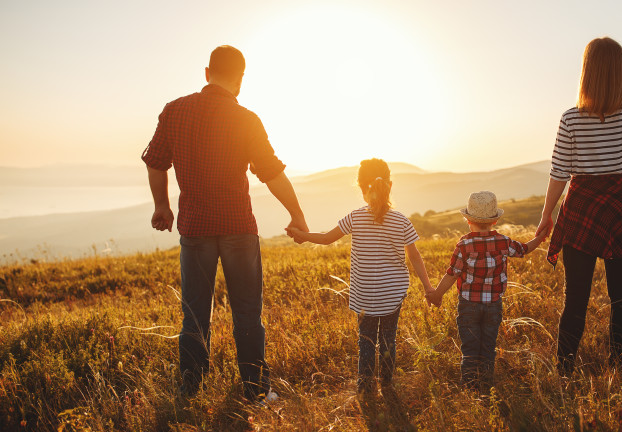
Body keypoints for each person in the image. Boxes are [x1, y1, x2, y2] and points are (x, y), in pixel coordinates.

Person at [141, 45, 308, 402]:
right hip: (238, 228)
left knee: (195, 314)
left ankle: (190, 388)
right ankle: (255, 390)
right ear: (241, 79)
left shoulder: (175, 111)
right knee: (247, 312)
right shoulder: (246, 118)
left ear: (207, 73)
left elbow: (155, 162)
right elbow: (272, 173)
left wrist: (162, 207)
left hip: (195, 229)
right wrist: (296, 214)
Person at [535, 37, 622, 375]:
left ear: (587, 73)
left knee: (576, 299)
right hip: (621, 206)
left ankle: (565, 371)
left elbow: (559, 173)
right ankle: (618, 368)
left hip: (581, 206)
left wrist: (547, 215)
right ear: (621, 72)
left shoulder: (570, 119)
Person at [286, 158, 432, 395]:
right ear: (390, 185)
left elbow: (325, 239)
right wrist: (428, 288)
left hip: (364, 296)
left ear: (362, 189)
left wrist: (301, 235)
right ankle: (387, 384)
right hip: (392, 295)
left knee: (366, 342)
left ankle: (364, 388)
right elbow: (415, 257)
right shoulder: (402, 221)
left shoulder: (354, 217)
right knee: (388, 340)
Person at [427, 191, 545, 393]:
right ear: (495, 220)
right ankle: (486, 387)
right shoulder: (503, 242)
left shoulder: (463, 245)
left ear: (467, 219)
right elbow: (525, 249)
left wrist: (437, 294)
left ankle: (470, 389)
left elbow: (452, 274)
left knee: (470, 349)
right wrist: (541, 237)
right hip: (493, 305)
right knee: (488, 347)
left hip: (468, 305)